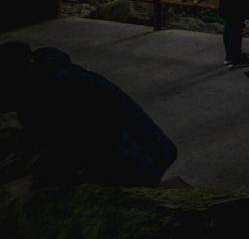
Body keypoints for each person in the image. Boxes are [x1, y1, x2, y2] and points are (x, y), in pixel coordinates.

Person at [0, 42, 177, 187]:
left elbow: (70, 144)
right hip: (150, 148)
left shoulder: (54, 92)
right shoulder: (55, 75)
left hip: (136, 162)